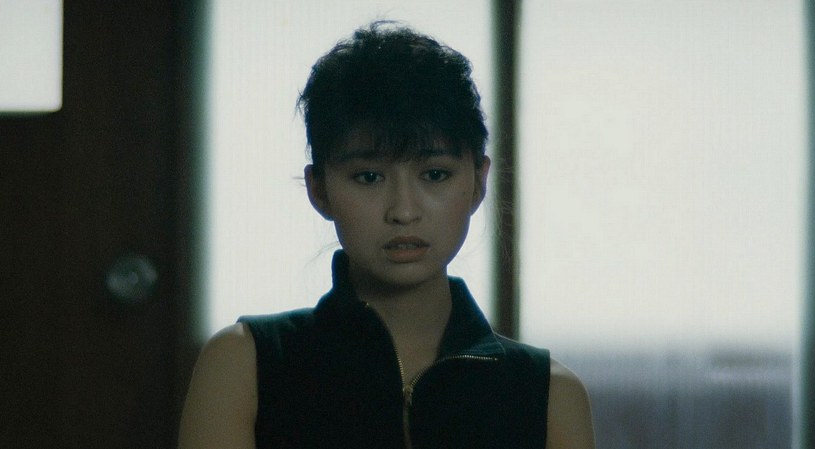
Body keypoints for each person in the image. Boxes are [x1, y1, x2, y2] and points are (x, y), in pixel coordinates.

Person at [178, 21, 594, 449]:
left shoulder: (547, 394)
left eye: (435, 174)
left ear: (478, 182)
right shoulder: (248, 363)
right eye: (369, 177)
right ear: (319, 189)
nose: (403, 211)